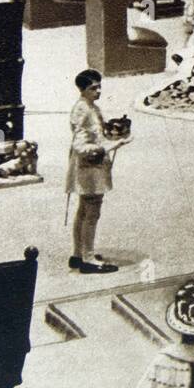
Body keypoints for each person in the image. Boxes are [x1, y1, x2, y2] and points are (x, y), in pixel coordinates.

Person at [67, 70, 130, 275]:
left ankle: (78, 253)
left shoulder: (87, 107)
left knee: (84, 209)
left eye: (99, 86)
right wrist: (112, 145)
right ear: (83, 89)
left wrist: (112, 133)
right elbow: (80, 146)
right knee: (92, 212)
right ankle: (88, 258)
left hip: (86, 167)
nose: (99, 91)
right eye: (93, 88)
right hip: (90, 168)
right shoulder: (85, 111)